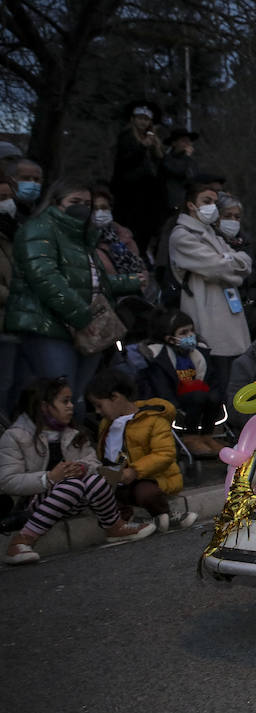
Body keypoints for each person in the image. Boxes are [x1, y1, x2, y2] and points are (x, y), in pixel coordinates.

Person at [5, 181, 145, 415]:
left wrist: (130, 282)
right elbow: (45, 278)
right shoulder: (38, 230)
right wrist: (83, 317)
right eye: (74, 202)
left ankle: (71, 448)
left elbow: (90, 281)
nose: (82, 208)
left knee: (75, 399)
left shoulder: (81, 235)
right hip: (48, 326)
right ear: (55, 203)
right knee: (59, 397)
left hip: (83, 328)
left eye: (86, 204)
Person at [1, 378, 154, 565]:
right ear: (44, 406)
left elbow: (93, 462)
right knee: (72, 485)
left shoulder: (72, 432)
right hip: (32, 503)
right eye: (64, 401)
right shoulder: (15, 436)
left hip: (72, 499)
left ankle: (114, 526)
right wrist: (48, 478)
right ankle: (21, 541)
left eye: (71, 400)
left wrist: (83, 467)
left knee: (97, 480)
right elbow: (7, 481)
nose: (71, 406)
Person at [167, 182, 252, 413]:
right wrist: (229, 263)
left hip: (228, 313)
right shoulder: (182, 235)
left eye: (214, 202)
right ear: (191, 205)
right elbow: (217, 268)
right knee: (217, 377)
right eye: (206, 201)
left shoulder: (211, 233)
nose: (211, 207)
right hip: (206, 314)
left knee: (235, 376)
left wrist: (227, 263)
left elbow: (245, 263)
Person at [87, 369, 196, 532]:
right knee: (100, 492)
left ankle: (163, 514)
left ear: (115, 397)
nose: (97, 411)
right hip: (117, 480)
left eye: (99, 405)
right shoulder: (106, 424)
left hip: (148, 477)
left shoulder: (153, 420)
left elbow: (164, 454)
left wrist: (134, 471)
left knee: (146, 493)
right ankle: (127, 520)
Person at [137, 309, 218, 444]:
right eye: (184, 332)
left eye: (191, 330)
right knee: (198, 395)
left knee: (215, 396)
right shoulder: (159, 357)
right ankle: (190, 438)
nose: (191, 335)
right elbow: (162, 388)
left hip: (200, 397)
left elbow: (212, 380)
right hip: (176, 400)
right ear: (170, 339)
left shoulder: (199, 352)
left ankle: (207, 436)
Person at [109, 101, 165, 252]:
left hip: (148, 192)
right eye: (140, 118)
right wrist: (142, 147)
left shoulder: (153, 140)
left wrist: (154, 148)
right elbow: (124, 162)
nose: (143, 122)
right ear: (133, 119)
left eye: (146, 119)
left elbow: (160, 165)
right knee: (128, 226)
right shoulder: (126, 136)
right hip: (128, 191)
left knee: (145, 227)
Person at [90, 187, 151, 299]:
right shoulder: (88, 243)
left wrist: (142, 286)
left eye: (104, 208)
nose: (99, 212)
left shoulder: (125, 238)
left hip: (136, 301)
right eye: (94, 209)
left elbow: (141, 267)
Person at [0, 176, 20, 410]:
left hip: (15, 325)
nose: (7, 203)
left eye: (9, 197)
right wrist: (15, 294)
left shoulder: (17, 231)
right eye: (1, 198)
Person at [159, 127, 200, 214]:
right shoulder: (167, 159)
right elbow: (178, 171)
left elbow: (193, 178)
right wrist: (187, 158)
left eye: (188, 142)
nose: (187, 145)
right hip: (168, 204)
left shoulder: (191, 162)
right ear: (174, 143)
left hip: (185, 203)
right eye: (183, 141)